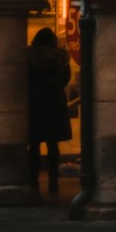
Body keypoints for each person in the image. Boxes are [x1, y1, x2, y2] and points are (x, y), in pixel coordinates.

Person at [26, 25, 73, 195]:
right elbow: (65, 79)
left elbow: (23, 78)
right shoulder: (60, 58)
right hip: (54, 102)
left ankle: (33, 177)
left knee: (34, 143)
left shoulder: (30, 56)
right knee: (53, 143)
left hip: (36, 100)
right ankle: (53, 178)